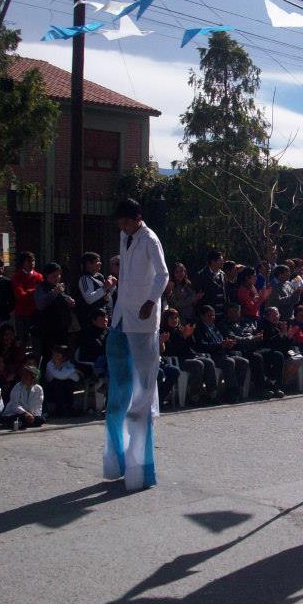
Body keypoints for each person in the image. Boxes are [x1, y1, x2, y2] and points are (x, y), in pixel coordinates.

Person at [107, 198, 169, 491]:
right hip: (121, 316)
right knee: (118, 392)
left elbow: (163, 274)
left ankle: (141, 468)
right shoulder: (125, 237)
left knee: (142, 393)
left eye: (127, 222)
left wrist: (150, 301)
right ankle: (117, 460)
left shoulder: (150, 239)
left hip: (143, 321)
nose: (123, 227)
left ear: (138, 218)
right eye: (120, 223)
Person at [194, 304, 249, 402]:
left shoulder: (215, 327)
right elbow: (201, 346)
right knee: (229, 362)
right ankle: (230, 392)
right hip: (211, 355)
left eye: (213, 315)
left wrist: (228, 344)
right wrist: (220, 345)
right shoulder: (199, 328)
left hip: (222, 353)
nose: (212, 318)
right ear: (202, 316)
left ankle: (238, 389)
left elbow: (221, 341)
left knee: (243, 361)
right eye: (209, 315)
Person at [34, 263, 76, 362]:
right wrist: (54, 292)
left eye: (58, 275)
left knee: (64, 354)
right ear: (47, 275)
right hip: (48, 329)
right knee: (49, 356)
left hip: (63, 328)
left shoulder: (61, 287)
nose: (57, 278)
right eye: (54, 276)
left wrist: (70, 302)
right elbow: (40, 304)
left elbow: (65, 300)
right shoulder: (41, 287)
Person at [11, 251, 43, 346]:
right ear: (23, 263)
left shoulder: (39, 276)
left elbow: (41, 294)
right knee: (22, 342)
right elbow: (20, 295)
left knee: (36, 341)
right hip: (22, 314)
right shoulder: (17, 277)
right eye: (29, 261)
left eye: (33, 261)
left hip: (36, 313)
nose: (32, 263)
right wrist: (34, 291)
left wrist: (28, 291)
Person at [76, 251, 117, 325]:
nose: (100, 263)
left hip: (105, 317)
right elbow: (89, 299)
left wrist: (112, 286)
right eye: (97, 262)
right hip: (92, 321)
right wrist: (105, 287)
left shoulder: (99, 276)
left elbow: (107, 297)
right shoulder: (84, 279)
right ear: (88, 264)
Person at [0, 366, 45, 430]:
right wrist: (25, 413)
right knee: (17, 419)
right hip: (16, 413)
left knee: (41, 419)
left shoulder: (39, 389)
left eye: (26, 376)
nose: (23, 377)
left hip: (31, 414)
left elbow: (38, 405)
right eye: (23, 375)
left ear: (33, 377)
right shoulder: (17, 387)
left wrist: (32, 415)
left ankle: (21, 424)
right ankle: (19, 423)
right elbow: (15, 405)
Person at [44, 344, 80, 417]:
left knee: (68, 383)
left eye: (58, 355)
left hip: (65, 389)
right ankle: (60, 409)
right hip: (51, 390)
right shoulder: (50, 364)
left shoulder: (67, 364)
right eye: (54, 355)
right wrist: (73, 371)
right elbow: (59, 376)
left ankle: (69, 408)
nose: (55, 357)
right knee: (58, 383)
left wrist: (64, 370)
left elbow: (76, 378)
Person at [195, 250, 227, 320]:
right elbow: (200, 297)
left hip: (222, 313)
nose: (223, 262)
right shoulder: (202, 275)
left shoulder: (222, 274)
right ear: (212, 261)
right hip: (208, 315)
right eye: (220, 260)